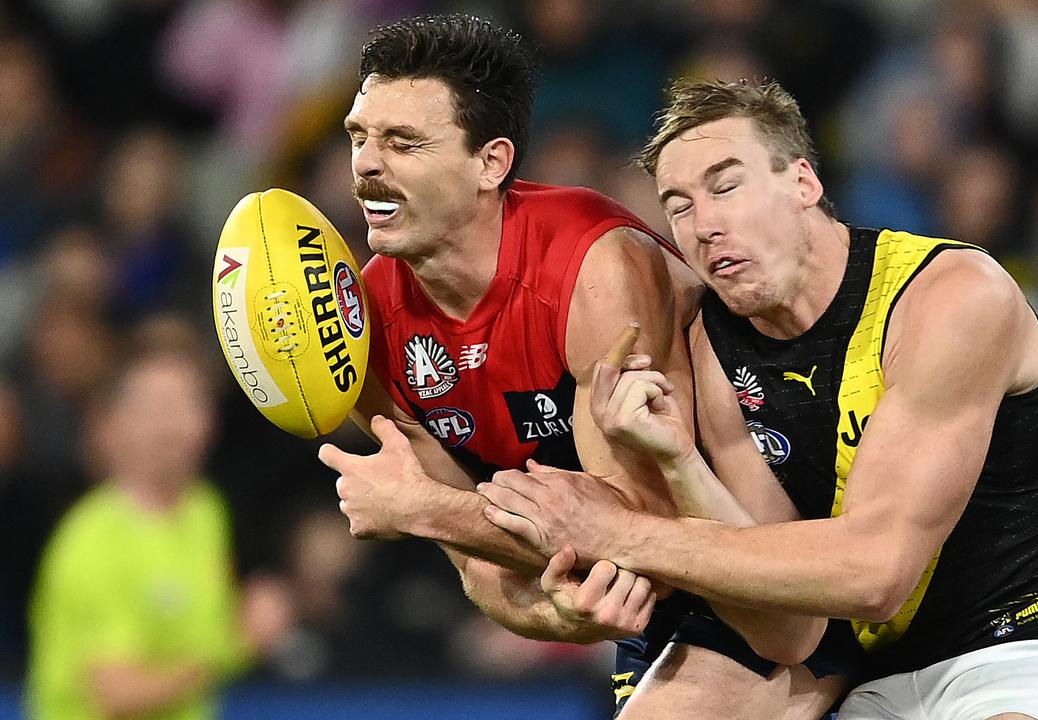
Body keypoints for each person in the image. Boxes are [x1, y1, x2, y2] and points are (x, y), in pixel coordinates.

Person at [477, 78, 1038, 720]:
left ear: (804, 183)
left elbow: (876, 573)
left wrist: (618, 532)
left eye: (726, 186)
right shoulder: (713, 347)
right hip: (883, 683)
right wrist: (679, 463)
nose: (704, 223)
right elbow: (783, 628)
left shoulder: (949, 296)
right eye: (679, 207)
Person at [314, 15, 847, 718]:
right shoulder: (362, 332)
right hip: (660, 599)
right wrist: (553, 617)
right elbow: (482, 569)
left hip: (771, 550)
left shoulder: (591, 270)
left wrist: (422, 509)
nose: (366, 165)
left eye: (403, 142)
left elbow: (636, 528)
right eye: (359, 137)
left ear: (491, 163)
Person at [25, 328, 293, 720]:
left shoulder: (207, 511)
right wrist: (240, 642)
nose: (173, 426)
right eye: (156, 407)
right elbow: (117, 694)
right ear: (114, 425)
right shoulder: (90, 542)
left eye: (187, 405)